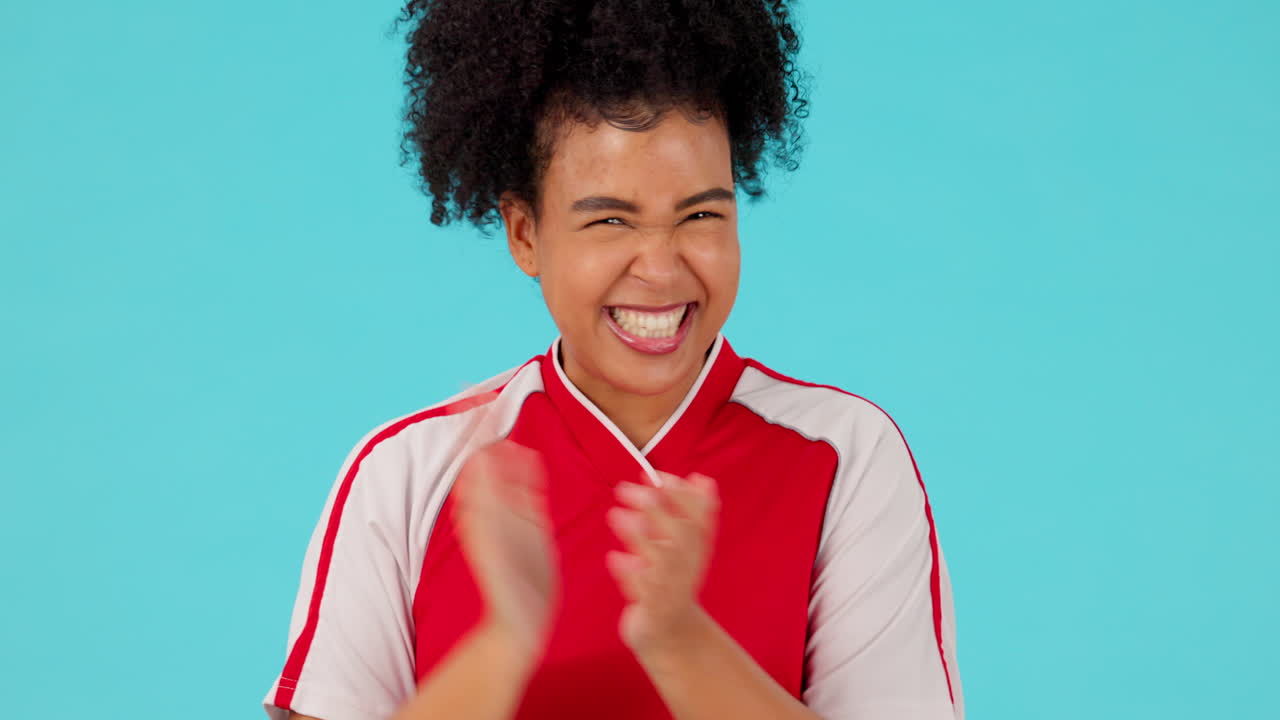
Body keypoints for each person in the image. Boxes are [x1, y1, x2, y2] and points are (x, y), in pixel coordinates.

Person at [263, 0, 964, 718]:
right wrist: (503, 642)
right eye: (609, 220)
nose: (661, 270)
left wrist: (681, 642)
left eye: (700, 215)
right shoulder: (406, 476)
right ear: (525, 233)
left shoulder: (845, 455)